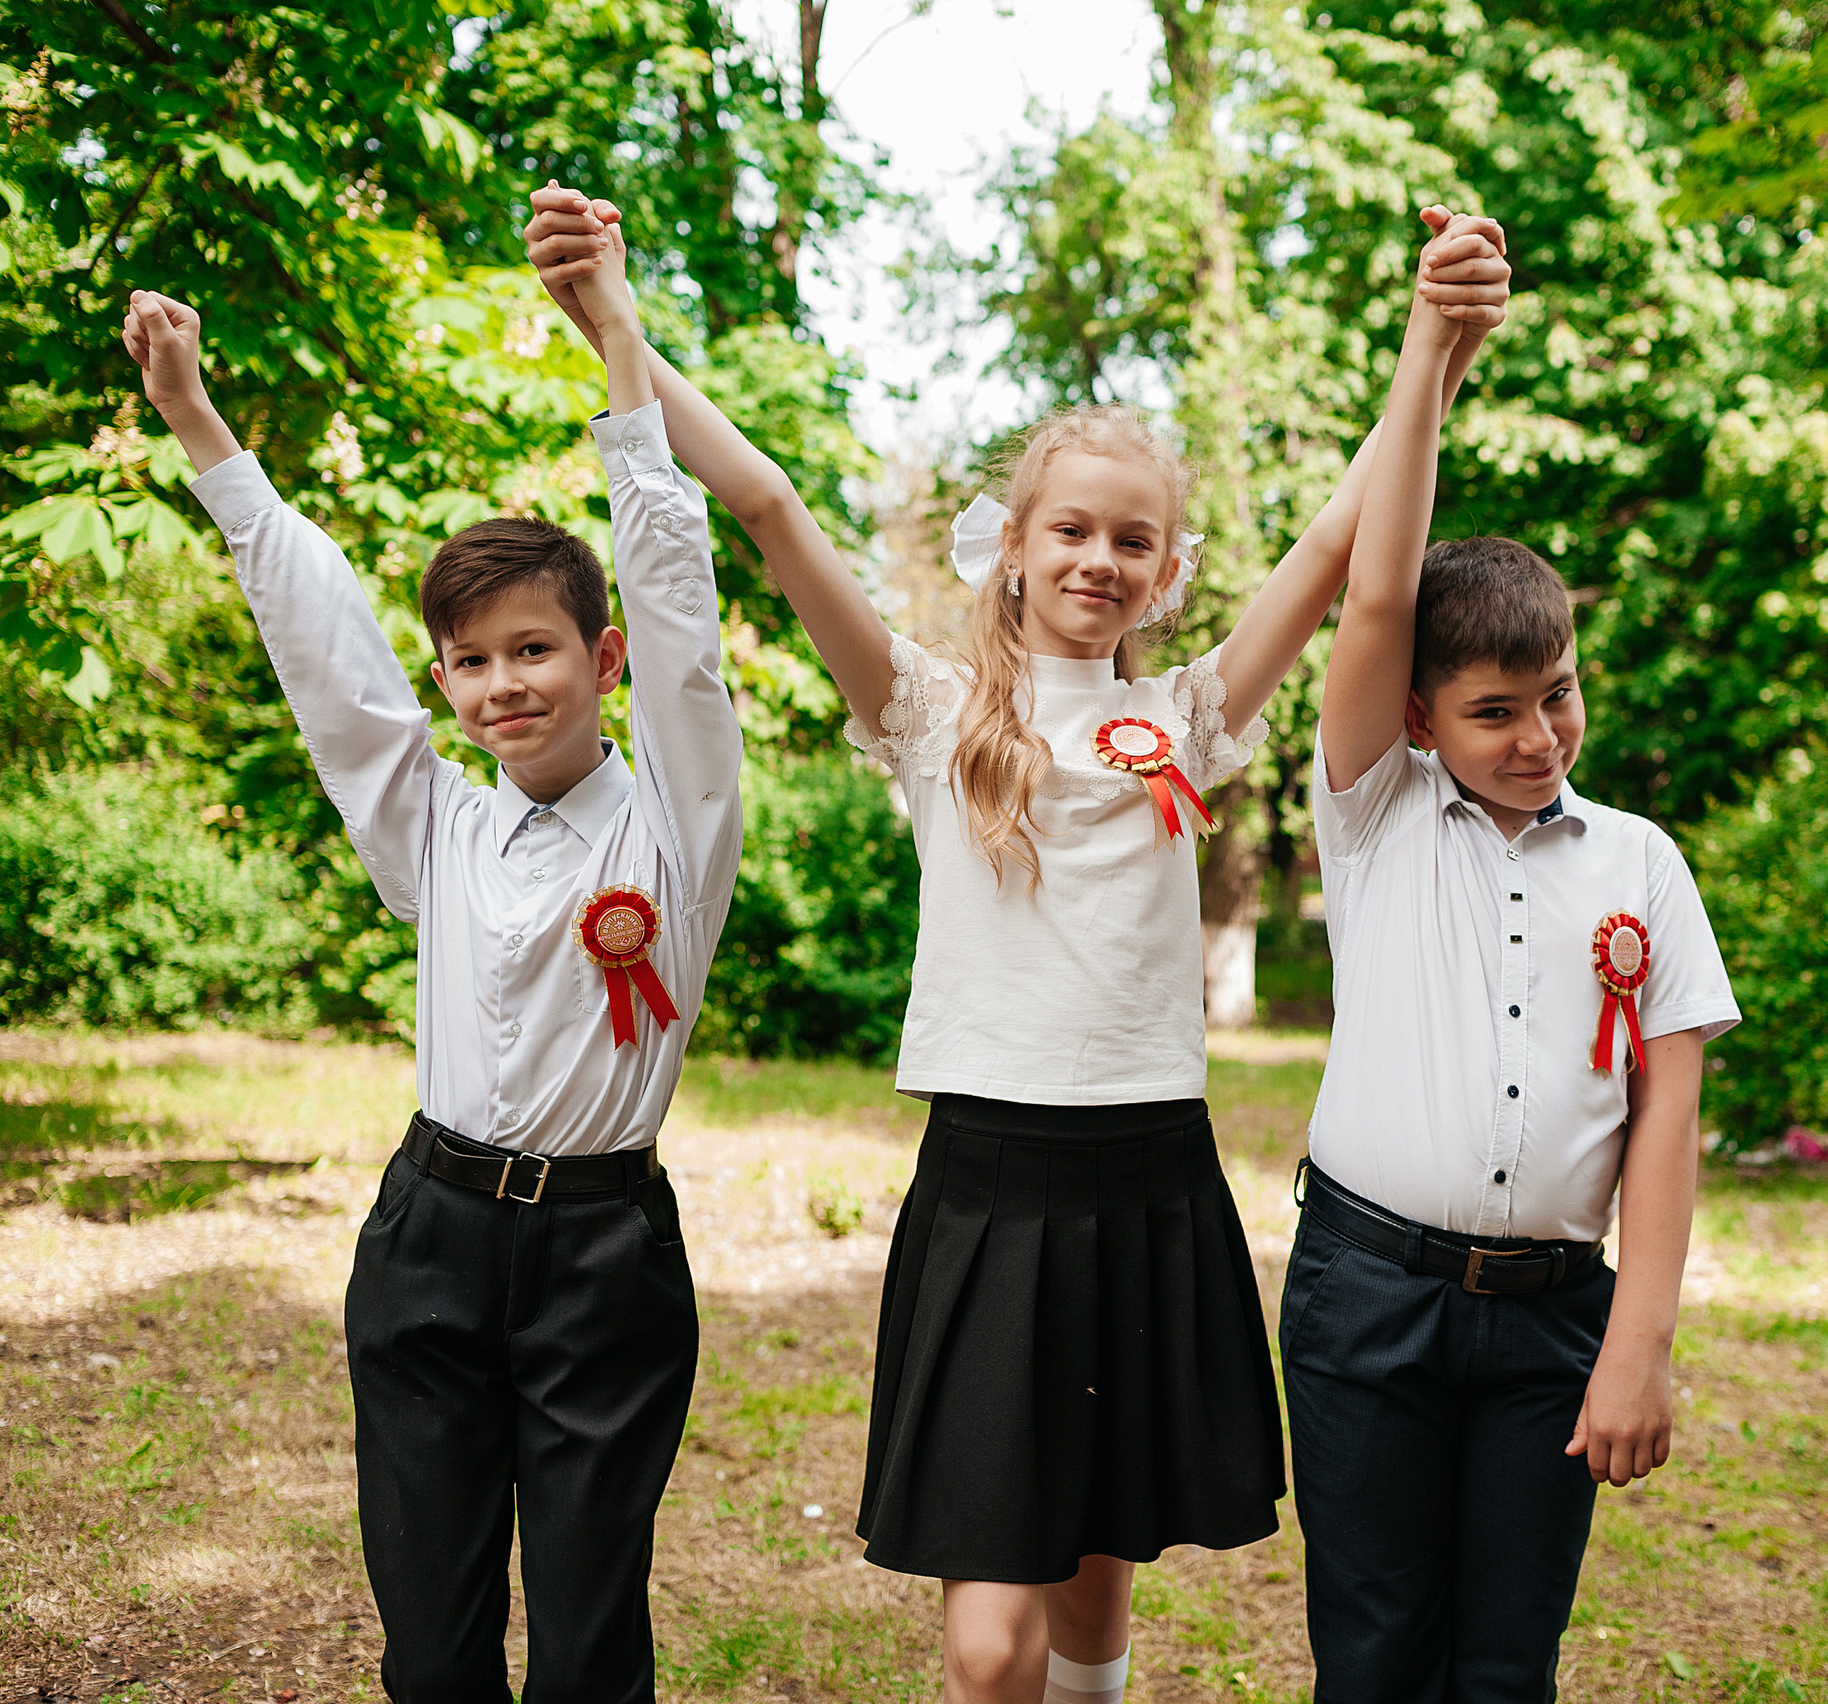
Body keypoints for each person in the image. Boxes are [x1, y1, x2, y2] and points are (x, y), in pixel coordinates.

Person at [525, 186, 1509, 1704]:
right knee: (990, 1647)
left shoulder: (1189, 716)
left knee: (1096, 1596)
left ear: (1165, 571)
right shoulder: (931, 714)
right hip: (991, 1186)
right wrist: (620, 331)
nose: (1099, 560)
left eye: (1134, 541)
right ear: (1016, 548)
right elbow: (774, 508)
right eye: (1071, 530)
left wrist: (1432, 351)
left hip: (1149, 1178)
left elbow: (1343, 548)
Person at [118, 210, 738, 1700]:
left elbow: (674, 589)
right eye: (468, 660)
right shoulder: (434, 832)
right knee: (432, 1641)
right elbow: (327, 653)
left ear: (602, 664)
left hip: (605, 1259)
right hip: (429, 1245)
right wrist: (202, 425)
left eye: (533, 649)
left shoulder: (678, 826)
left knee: (589, 1638)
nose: (498, 684)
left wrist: (617, 343)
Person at [1283, 273, 1744, 1701]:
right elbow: (1372, 591)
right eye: (1494, 711)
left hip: (1555, 1315)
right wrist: (1432, 348)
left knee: (1503, 1669)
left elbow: (1666, 1119)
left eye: (1560, 695)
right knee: (1371, 1663)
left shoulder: (1644, 863)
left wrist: (1636, 1347)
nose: (1541, 736)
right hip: (1369, 1298)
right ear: (1421, 717)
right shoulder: (1376, 812)